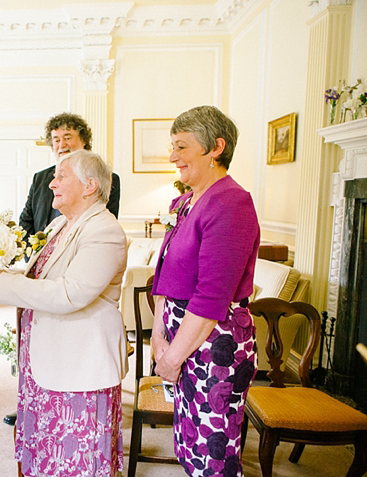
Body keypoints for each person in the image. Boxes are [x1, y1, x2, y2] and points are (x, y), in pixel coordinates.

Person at [0, 149, 128, 477]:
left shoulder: (103, 230)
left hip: (79, 363)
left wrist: (1, 283)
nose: (51, 183)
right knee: (48, 453)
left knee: (77, 459)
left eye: (61, 175)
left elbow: (70, 292)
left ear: (90, 185)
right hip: (49, 357)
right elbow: (41, 277)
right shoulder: (61, 225)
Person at [150, 105, 260, 477]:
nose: (172, 156)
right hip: (185, 339)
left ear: (215, 147)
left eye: (181, 146)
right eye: (172, 146)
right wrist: (158, 334)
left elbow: (212, 298)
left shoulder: (231, 203)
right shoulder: (184, 201)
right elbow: (163, 274)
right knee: (189, 446)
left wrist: (172, 357)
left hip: (215, 347)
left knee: (214, 456)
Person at [19, 112, 120, 236]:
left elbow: (103, 225)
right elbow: (25, 221)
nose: (62, 145)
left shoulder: (107, 178)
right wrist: (36, 253)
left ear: (83, 140)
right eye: (56, 140)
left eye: (67, 138)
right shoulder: (40, 178)